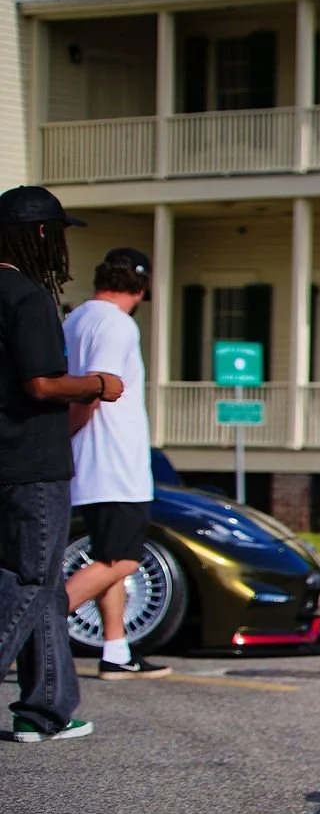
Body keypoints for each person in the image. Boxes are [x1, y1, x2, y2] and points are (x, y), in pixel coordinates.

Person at [1, 186, 124, 743]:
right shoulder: (26, 297)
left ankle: (44, 708)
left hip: (7, 461)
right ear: (43, 235)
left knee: (44, 584)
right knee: (30, 579)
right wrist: (100, 383)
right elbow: (43, 383)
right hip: (32, 465)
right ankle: (41, 706)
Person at [63, 248, 169, 680]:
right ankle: (31, 622)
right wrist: (68, 433)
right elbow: (95, 388)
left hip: (90, 462)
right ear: (141, 289)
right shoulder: (117, 324)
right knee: (124, 560)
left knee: (109, 554)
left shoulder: (76, 318)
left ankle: (115, 651)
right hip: (113, 462)